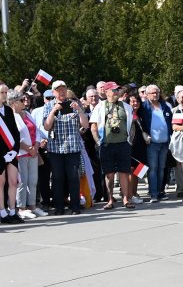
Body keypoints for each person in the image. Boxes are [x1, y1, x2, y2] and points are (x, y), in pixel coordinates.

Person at [43, 80, 89, 215]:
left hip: (72, 147)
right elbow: (46, 126)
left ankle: (75, 206)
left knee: (73, 177)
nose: (61, 92)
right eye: (58, 90)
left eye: (63, 89)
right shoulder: (49, 106)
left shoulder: (74, 104)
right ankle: (59, 207)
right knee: (57, 178)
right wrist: (53, 111)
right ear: (53, 92)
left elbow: (85, 125)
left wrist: (79, 110)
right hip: (56, 148)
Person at [89, 82, 134, 209]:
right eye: (113, 90)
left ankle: (126, 199)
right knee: (109, 174)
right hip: (106, 145)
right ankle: (110, 199)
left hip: (123, 144)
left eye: (117, 90)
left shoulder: (126, 106)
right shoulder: (100, 106)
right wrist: (98, 142)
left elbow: (132, 125)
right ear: (107, 91)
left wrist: (130, 141)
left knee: (124, 172)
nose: (116, 92)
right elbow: (94, 126)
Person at [7, 89, 45, 219]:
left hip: (33, 152)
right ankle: (21, 207)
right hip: (21, 153)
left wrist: (35, 146)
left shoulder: (27, 114)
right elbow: (14, 136)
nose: (25, 102)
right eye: (21, 100)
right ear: (13, 102)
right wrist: (28, 148)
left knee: (33, 181)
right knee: (22, 182)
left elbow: (37, 131)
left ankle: (32, 206)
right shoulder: (11, 116)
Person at [138, 84, 173, 202]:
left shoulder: (165, 106)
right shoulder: (143, 108)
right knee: (153, 168)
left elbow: (170, 122)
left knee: (161, 168)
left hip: (164, 143)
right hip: (151, 143)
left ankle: (160, 191)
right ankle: (153, 193)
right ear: (147, 95)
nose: (155, 95)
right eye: (153, 93)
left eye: (157, 92)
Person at [1, 86, 24, 224]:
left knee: (13, 182)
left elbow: (15, 132)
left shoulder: (9, 110)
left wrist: (14, 150)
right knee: (1, 183)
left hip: (11, 152)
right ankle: (2, 213)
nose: (4, 95)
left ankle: (12, 211)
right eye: (1, 93)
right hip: (0, 154)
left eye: (5, 92)